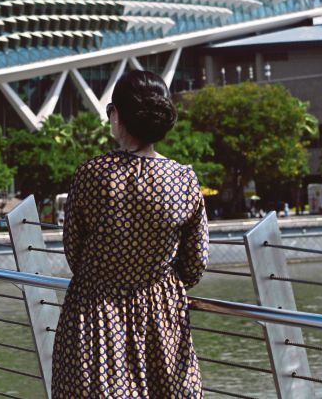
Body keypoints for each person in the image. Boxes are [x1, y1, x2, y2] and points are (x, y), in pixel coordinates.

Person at [52, 70, 209, 398]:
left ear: (117, 115)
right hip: (161, 318)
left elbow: (74, 252)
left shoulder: (92, 174)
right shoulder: (184, 180)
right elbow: (195, 264)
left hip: (94, 314)